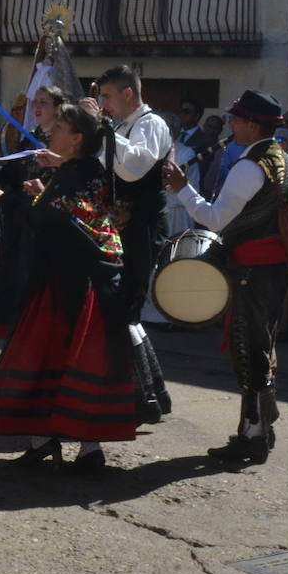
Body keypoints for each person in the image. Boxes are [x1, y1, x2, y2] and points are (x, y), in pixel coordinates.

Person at [0, 103, 133, 474]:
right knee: (69, 359)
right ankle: (70, 445)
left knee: (49, 356)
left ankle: (61, 444)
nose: (51, 132)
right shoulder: (85, 170)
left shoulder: (76, 173)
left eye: (60, 126)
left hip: (69, 283)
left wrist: (5, 197)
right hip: (82, 279)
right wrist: (40, 192)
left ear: (76, 138)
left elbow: (53, 217)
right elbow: (68, 213)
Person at [165, 89, 288, 464]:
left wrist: (182, 189)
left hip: (249, 270)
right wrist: (278, 247)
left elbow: (215, 219)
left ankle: (253, 434)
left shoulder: (249, 167)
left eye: (235, 120)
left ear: (250, 125)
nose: (231, 125)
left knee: (248, 349)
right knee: (261, 345)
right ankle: (260, 428)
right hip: (276, 270)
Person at [77, 65, 172, 424]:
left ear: (128, 94)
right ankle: (148, 394)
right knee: (119, 309)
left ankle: (143, 396)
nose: (104, 104)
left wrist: (99, 127)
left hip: (142, 228)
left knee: (125, 307)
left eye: (107, 97)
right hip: (119, 227)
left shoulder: (152, 125)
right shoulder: (118, 126)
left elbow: (132, 168)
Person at [0, 84, 66, 339]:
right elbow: (12, 176)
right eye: (35, 101)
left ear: (58, 108)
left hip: (42, 225)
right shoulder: (30, 137)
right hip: (20, 222)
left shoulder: (60, 143)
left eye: (44, 102)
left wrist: (4, 198)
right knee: (14, 282)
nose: (36, 107)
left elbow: (55, 188)